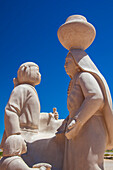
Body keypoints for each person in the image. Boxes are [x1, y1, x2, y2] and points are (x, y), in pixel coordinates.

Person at [59, 49, 113, 170]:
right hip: (77, 131)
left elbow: (96, 97)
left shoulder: (84, 76)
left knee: (89, 165)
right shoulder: (74, 80)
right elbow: (76, 107)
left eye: (68, 61)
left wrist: (78, 121)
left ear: (78, 63)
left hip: (90, 128)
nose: (65, 65)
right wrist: (67, 122)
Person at [0, 62, 41, 149]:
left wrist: (49, 117)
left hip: (32, 133)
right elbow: (11, 110)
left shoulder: (30, 90)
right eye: (37, 71)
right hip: (23, 133)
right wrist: (14, 134)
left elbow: (33, 115)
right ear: (26, 71)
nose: (39, 74)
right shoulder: (21, 89)